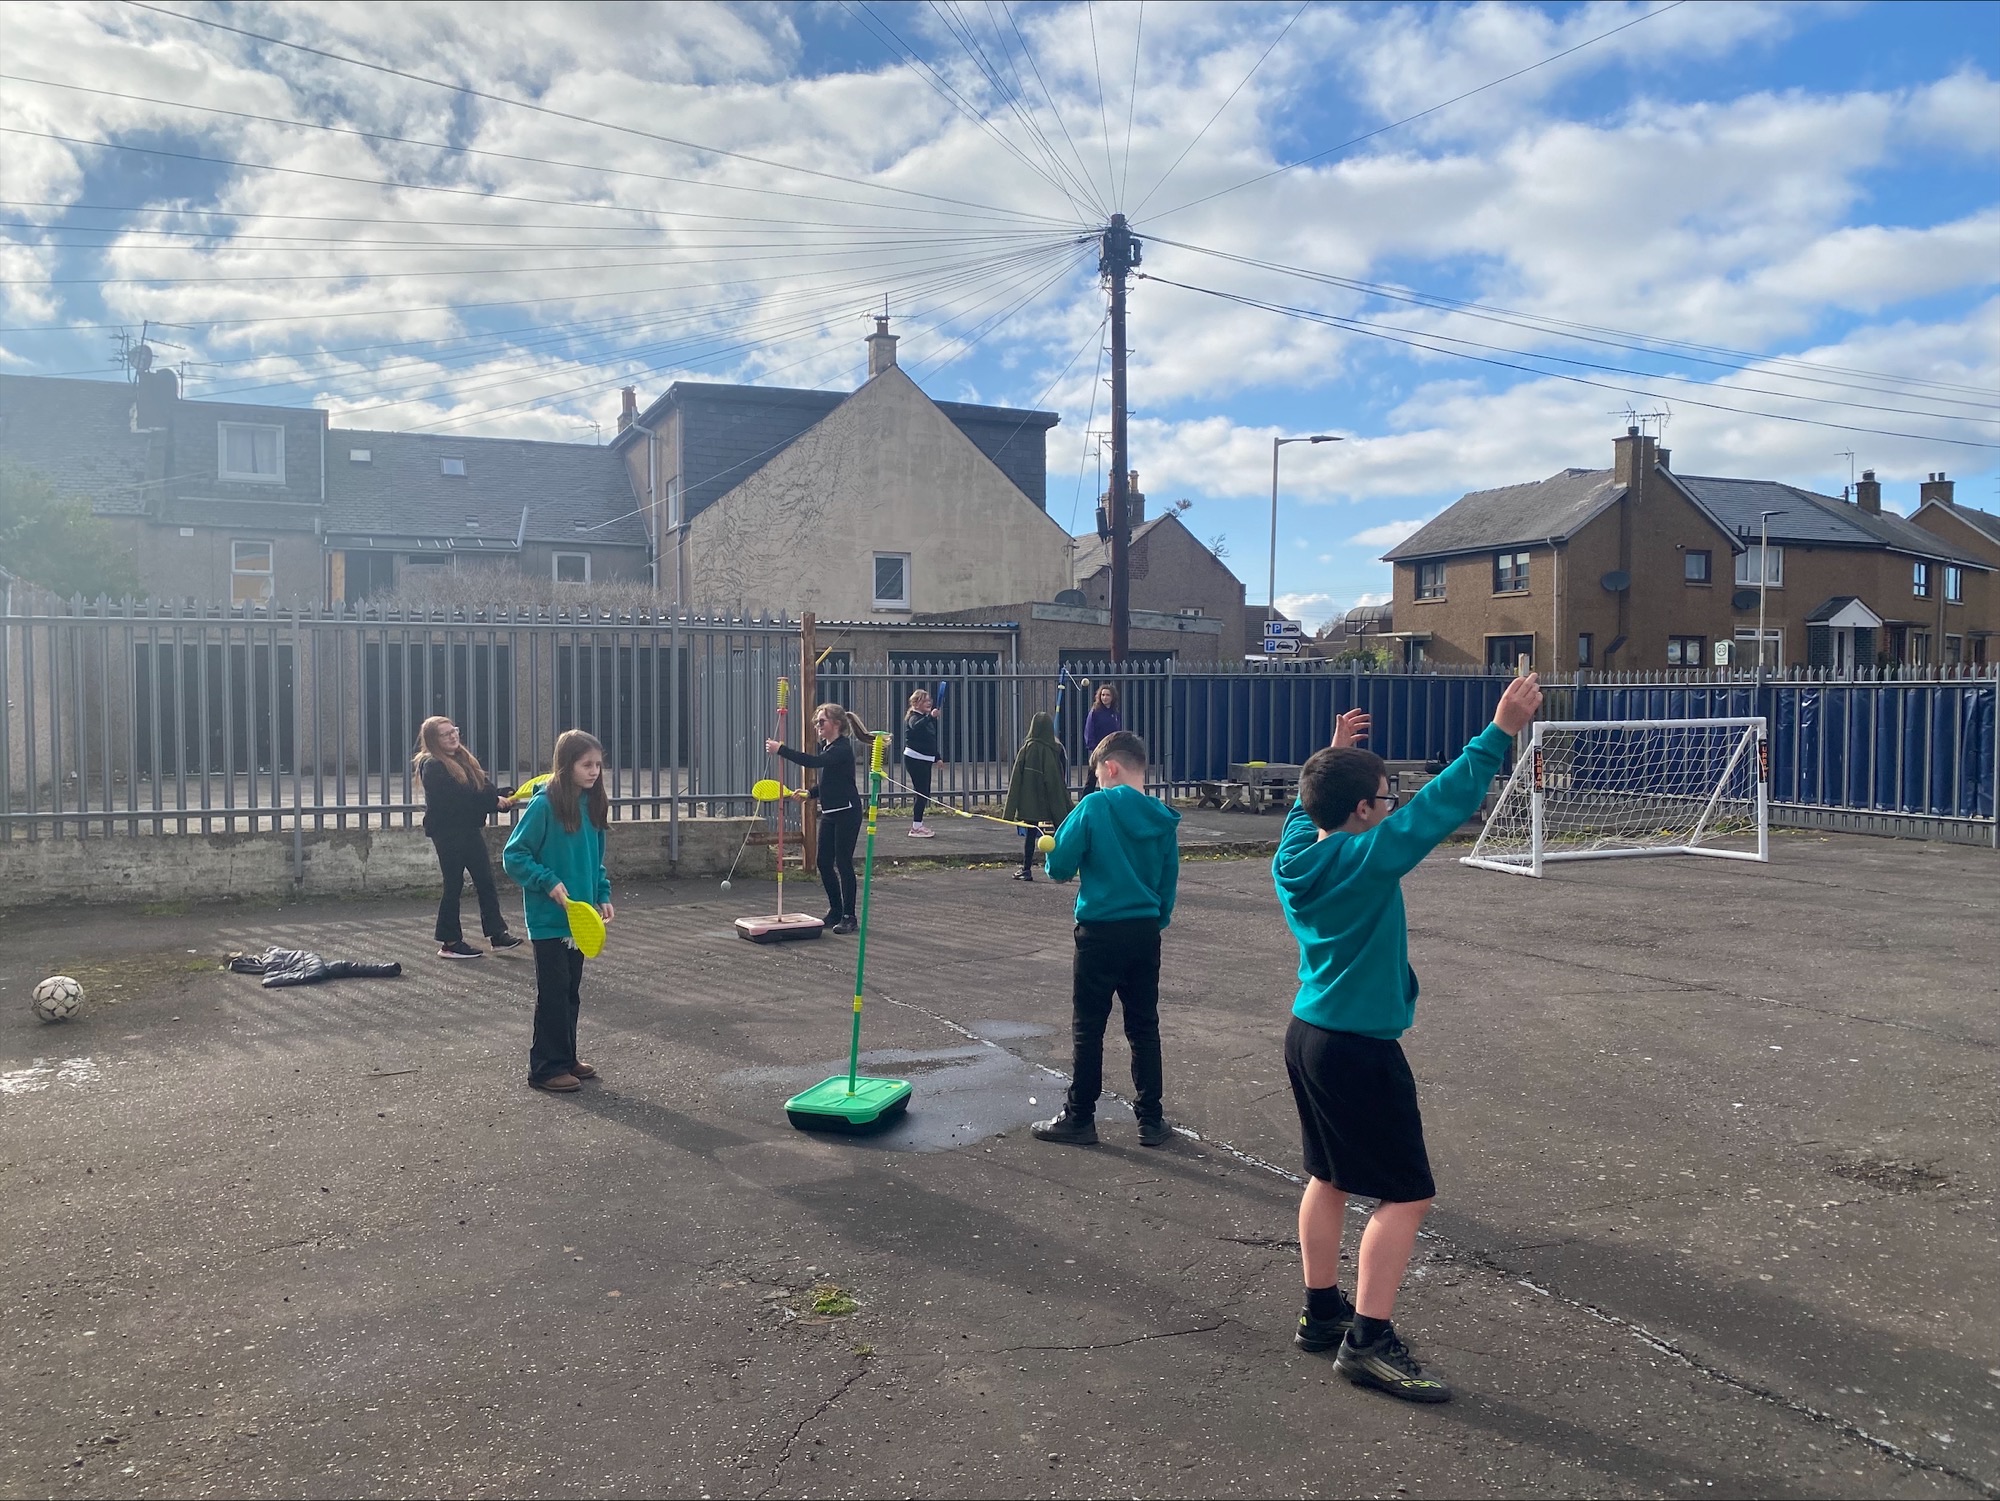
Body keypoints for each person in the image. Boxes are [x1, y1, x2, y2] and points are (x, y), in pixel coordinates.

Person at [1275, 674, 1543, 1404]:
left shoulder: (1293, 855)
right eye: (1383, 796)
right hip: (1357, 1047)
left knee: (1329, 1177)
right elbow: (1438, 808)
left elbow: (1307, 808)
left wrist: (1331, 756)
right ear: (1363, 811)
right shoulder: (1366, 856)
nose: (1392, 803)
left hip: (1308, 1035)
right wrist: (1500, 730)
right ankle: (1367, 1341)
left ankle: (1321, 1313)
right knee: (1408, 1196)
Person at [1033, 729, 1179, 1148]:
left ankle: (1080, 1117)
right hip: (1144, 930)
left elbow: (1060, 867)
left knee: (1089, 1027)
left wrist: (1050, 848)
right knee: (1144, 1026)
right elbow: (1168, 882)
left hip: (1099, 931)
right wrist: (1155, 920)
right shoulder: (1162, 818)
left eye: (1097, 774)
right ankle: (1151, 1120)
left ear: (1110, 767)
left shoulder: (1095, 806)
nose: (1095, 781)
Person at [502, 729, 615, 1094]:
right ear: (566, 766)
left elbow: (596, 859)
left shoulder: (593, 803)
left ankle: (565, 1058)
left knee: (570, 992)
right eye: (586, 765)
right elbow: (514, 855)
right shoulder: (544, 805)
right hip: (549, 919)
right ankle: (545, 1068)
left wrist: (602, 893)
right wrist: (547, 881)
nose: (594, 771)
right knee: (552, 993)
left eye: (598, 765)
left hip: (580, 919)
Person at [414, 715, 524, 960]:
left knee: (485, 881)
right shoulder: (432, 765)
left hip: (468, 830)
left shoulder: (463, 759)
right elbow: (459, 798)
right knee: (453, 885)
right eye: (445, 734)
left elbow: (479, 789)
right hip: (448, 833)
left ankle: (497, 934)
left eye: (454, 730)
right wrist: (493, 800)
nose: (453, 736)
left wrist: (500, 796)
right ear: (433, 740)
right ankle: (450, 942)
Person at [767, 704, 871, 934]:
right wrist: (810, 793)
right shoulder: (830, 747)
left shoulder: (842, 748)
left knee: (843, 863)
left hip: (847, 812)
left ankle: (849, 916)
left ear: (837, 724)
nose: (818, 726)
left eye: (822, 721)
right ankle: (835, 910)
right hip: (831, 812)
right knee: (823, 862)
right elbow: (830, 782)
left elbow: (813, 762)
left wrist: (781, 749)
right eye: (816, 722)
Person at [1001, 710, 1070, 882]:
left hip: (1030, 803)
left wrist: (1008, 813)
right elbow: (1057, 780)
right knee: (1060, 832)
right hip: (1049, 801)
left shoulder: (1026, 749)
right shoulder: (1055, 750)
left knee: (1030, 835)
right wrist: (1063, 804)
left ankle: (1026, 869)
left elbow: (1015, 780)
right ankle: (1063, 867)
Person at [903, 688, 941, 838]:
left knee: (925, 793)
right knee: (922, 793)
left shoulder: (926, 718)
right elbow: (916, 727)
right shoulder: (913, 717)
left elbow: (930, 739)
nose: (929, 703)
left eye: (929, 700)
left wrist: (937, 757)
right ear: (915, 703)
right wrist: (930, 717)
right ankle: (916, 827)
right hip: (915, 759)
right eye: (925, 700)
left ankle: (918, 824)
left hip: (925, 759)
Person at [1081, 684, 1121, 793]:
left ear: (1112, 697)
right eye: (1103, 695)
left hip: (1111, 749)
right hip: (1098, 749)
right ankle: (1085, 799)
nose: (1105, 697)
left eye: (1108, 695)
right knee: (1092, 778)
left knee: (1110, 776)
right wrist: (1093, 747)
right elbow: (1089, 730)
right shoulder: (1095, 712)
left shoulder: (1114, 713)